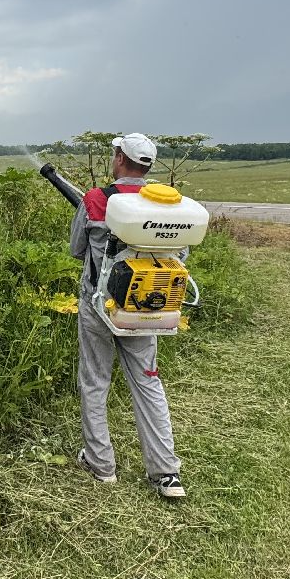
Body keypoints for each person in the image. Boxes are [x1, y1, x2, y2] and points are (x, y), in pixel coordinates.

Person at [68, 133, 185, 499]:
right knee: (148, 383)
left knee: (95, 381)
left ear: (119, 158)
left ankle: (101, 465)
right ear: (148, 167)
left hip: (98, 307)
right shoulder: (167, 206)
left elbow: (76, 250)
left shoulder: (96, 199)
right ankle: (166, 473)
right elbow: (180, 255)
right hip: (147, 309)